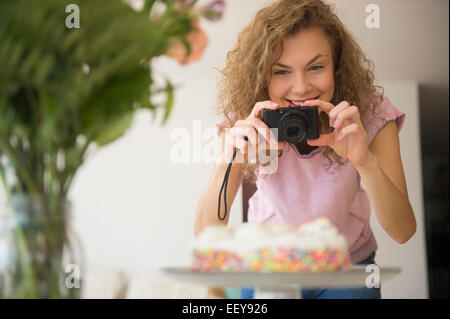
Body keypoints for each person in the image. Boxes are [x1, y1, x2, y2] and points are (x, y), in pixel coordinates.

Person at [194, 0, 416, 299]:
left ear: (336, 67)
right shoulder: (245, 120)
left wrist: (365, 161)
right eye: (281, 72)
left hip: (347, 265)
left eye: (316, 67)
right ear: (262, 75)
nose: (300, 88)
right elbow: (205, 236)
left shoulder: (370, 112)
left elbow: (403, 231)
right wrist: (228, 163)